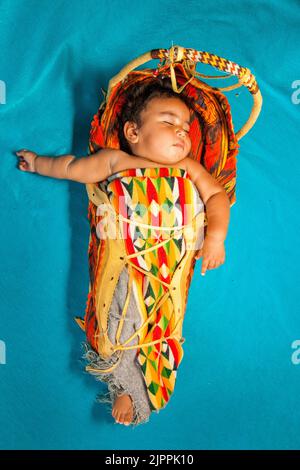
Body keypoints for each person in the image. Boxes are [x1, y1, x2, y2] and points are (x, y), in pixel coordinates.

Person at [15, 80, 230, 426]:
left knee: (165, 332)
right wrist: (39, 162)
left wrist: (216, 237)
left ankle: (148, 389)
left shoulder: (187, 168)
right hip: (127, 265)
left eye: (186, 128)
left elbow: (216, 196)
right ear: (133, 131)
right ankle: (124, 384)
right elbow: (71, 168)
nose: (181, 133)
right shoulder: (117, 162)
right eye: (168, 122)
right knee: (121, 324)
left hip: (169, 275)